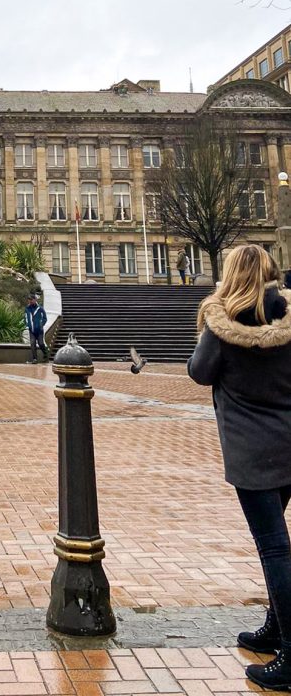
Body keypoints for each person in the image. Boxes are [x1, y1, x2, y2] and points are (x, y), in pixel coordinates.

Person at [188, 244, 291, 691]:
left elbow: (199, 371)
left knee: (274, 549)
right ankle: (275, 628)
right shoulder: (287, 314)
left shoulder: (223, 322)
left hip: (252, 453)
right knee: (280, 546)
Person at [25, 294, 49, 363]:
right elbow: (26, 317)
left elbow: (45, 318)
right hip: (31, 330)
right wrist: (27, 325)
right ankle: (34, 359)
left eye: (31, 299)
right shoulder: (27, 308)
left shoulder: (40, 308)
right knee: (32, 344)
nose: (30, 301)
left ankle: (45, 354)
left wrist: (41, 325)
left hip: (39, 330)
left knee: (41, 343)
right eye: (29, 300)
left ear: (35, 300)